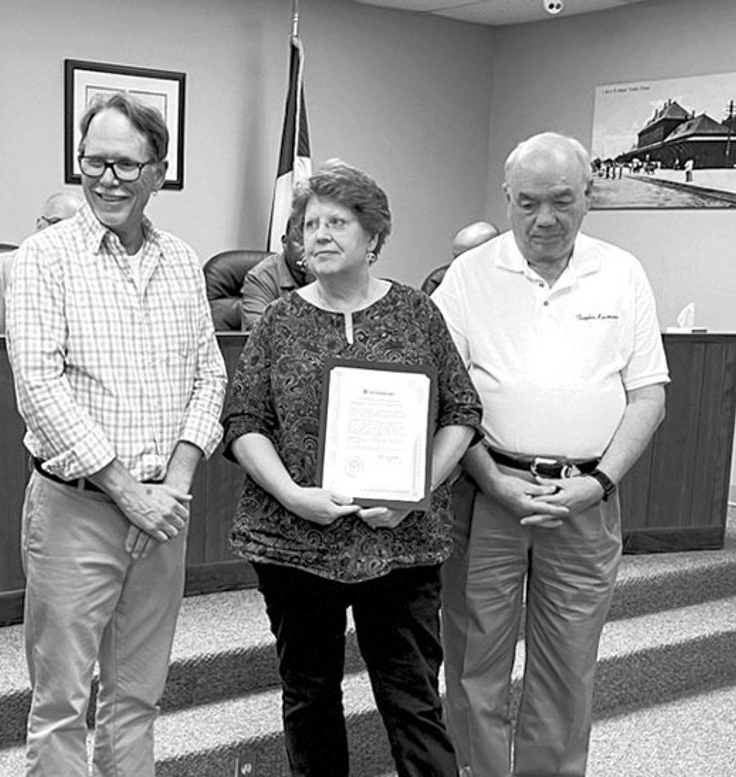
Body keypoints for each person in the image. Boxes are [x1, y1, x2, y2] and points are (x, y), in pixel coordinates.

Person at [222, 159, 482, 777]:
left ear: (374, 237)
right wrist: (292, 496)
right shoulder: (281, 319)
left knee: (413, 701)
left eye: (338, 221)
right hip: (295, 542)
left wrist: (416, 490)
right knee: (309, 697)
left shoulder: (418, 313)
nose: (320, 235)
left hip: (401, 543)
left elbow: (463, 410)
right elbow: (243, 422)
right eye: (310, 224)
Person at [433, 132, 668, 777]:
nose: (545, 218)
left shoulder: (621, 273)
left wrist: (599, 482)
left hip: (586, 501)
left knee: (567, 670)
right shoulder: (467, 277)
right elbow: (445, 401)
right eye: (528, 202)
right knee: (475, 665)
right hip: (487, 497)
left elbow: (648, 397)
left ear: (587, 196)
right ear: (507, 198)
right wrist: (492, 480)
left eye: (562, 200)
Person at [5, 92, 226, 776]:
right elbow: (39, 390)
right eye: (94, 161)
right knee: (62, 702)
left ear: (159, 171)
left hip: (164, 513)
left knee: (137, 696)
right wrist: (129, 491)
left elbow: (210, 376)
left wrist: (174, 487)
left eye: (127, 164)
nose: (108, 178)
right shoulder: (43, 258)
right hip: (77, 508)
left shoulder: (184, 260)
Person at [0, 189, 83, 335]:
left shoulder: (90, 273)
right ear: (40, 224)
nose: (63, 234)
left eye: (74, 228)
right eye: (56, 223)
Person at [240, 204, 310, 329]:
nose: (308, 249)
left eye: (313, 241)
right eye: (300, 241)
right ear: (285, 242)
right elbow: (256, 333)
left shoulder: (334, 272)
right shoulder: (260, 277)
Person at [420, 220, 499, 295]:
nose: (456, 263)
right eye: (455, 257)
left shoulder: (506, 282)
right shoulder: (437, 283)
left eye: (464, 258)